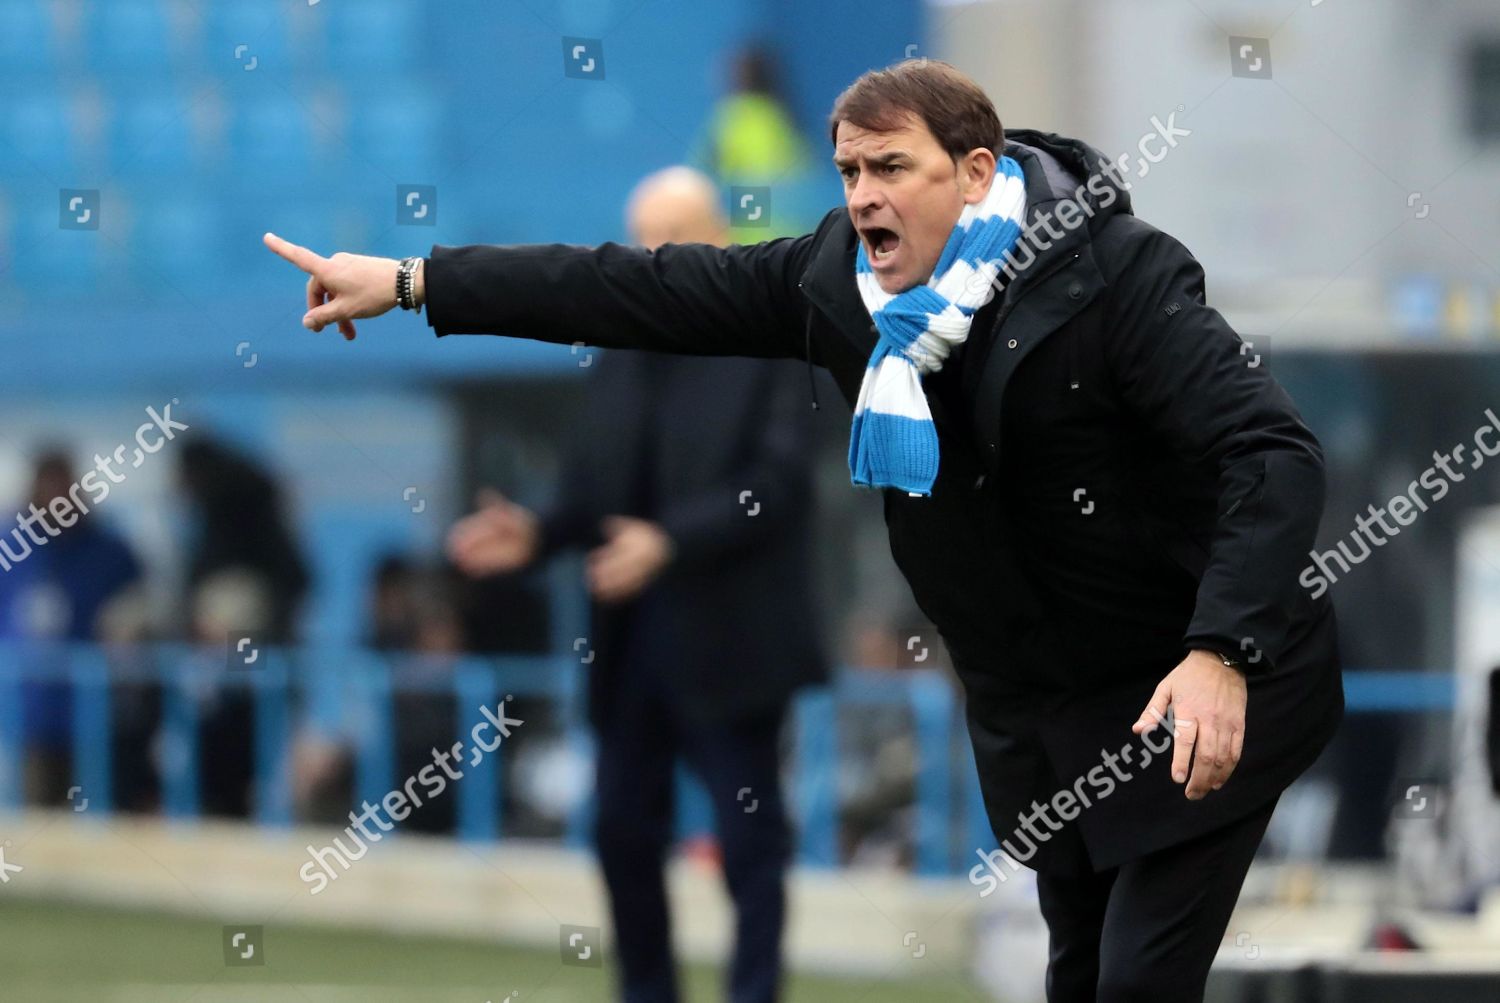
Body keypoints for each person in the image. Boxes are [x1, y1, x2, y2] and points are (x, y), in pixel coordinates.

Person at [265, 59, 1345, 1002]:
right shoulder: (836, 281)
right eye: (850, 172)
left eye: (892, 169)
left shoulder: (1121, 275)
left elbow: (1272, 451)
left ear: (975, 175)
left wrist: (1221, 651)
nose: (864, 197)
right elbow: (624, 289)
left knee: (1136, 980)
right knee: (1075, 978)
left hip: (1198, 685)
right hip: (1041, 704)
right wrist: (413, 281)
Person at [445, 166, 827, 1003]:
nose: (653, 259)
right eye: (642, 240)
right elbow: (595, 493)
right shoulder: (621, 354)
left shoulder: (771, 341)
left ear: (717, 238)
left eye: (671, 238)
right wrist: (540, 532)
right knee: (621, 833)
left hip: (735, 645)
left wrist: (671, 542)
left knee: (749, 841)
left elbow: (778, 485)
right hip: (630, 646)